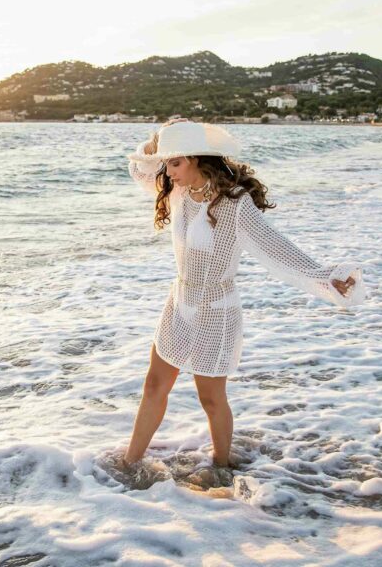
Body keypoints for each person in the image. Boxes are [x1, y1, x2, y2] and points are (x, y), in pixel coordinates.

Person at [120, 118, 367, 472]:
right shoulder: (178, 193)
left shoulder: (236, 204)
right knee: (155, 384)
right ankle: (130, 463)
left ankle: (221, 466)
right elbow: (140, 170)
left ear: (196, 159)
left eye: (174, 162)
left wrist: (326, 278)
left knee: (211, 398)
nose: (167, 171)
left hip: (215, 311)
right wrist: (157, 141)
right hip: (179, 304)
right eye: (167, 163)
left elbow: (276, 248)